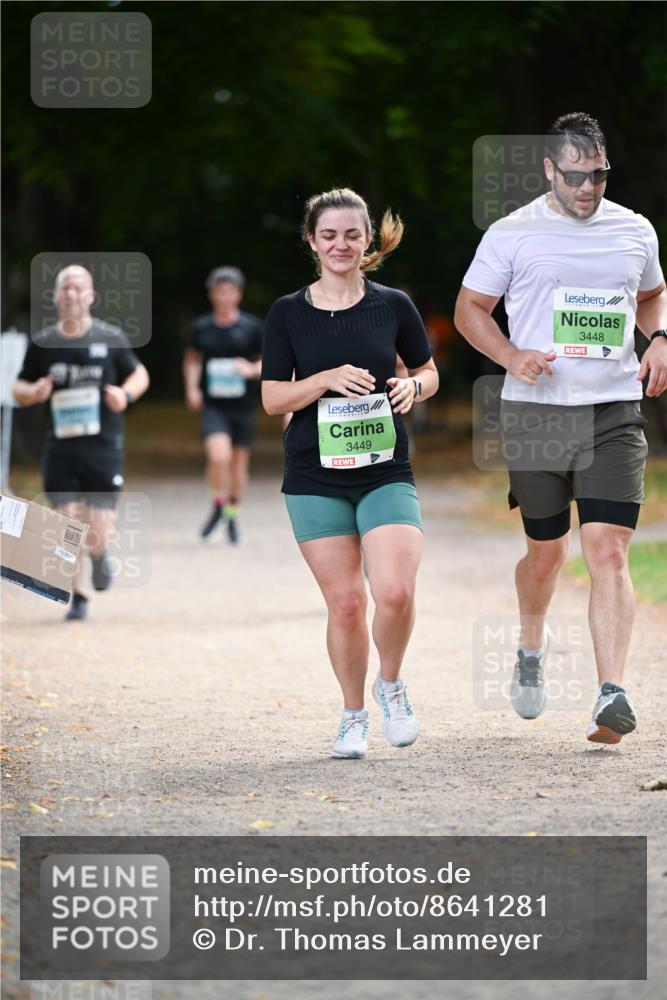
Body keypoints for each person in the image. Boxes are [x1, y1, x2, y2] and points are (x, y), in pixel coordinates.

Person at [455, 113, 667, 744]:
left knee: (607, 547)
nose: (588, 187)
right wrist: (510, 356)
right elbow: (470, 309)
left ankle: (611, 693)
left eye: (598, 175)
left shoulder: (634, 230)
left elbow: (653, 294)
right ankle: (529, 645)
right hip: (536, 414)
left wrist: (657, 339)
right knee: (545, 554)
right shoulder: (512, 232)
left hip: (612, 412)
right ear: (550, 169)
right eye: (575, 176)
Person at [261, 187, 439, 759]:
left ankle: (390, 684)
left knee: (395, 591)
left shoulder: (393, 304)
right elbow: (271, 398)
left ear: (368, 242)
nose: (341, 244)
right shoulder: (287, 312)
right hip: (314, 475)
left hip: (385, 469)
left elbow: (429, 371)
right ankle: (353, 715)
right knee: (345, 603)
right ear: (311, 241)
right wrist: (323, 379)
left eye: (352, 234)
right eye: (329, 234)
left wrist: (414, 385)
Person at [13, 264, 150, 621]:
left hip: (102, 447)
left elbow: (139, 374)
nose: (71, 293)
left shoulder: (110, 338)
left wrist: (124, 393)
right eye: (65, 288)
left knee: (97, 529)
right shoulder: (43, 343)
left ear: (90, 296)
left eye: (78, 287)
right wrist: (34, 391)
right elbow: (19, 387)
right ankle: (79, 595)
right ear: (56, 296)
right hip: (60, 449)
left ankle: (100, 554)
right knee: (66, 524)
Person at [184, 267, 262, 544]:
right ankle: (218, 502)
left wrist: (252, 369)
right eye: (219, 291)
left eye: (229, 291)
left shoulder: (251, 327)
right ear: (212, 295)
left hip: (242, 405)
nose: (224, 296)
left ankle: (230, 513)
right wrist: (192, 388)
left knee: (239, 466)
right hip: (214, 404)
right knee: (218, 457)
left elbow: (268, 362)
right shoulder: (202, 327)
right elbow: (192, 358)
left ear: (238, 295)